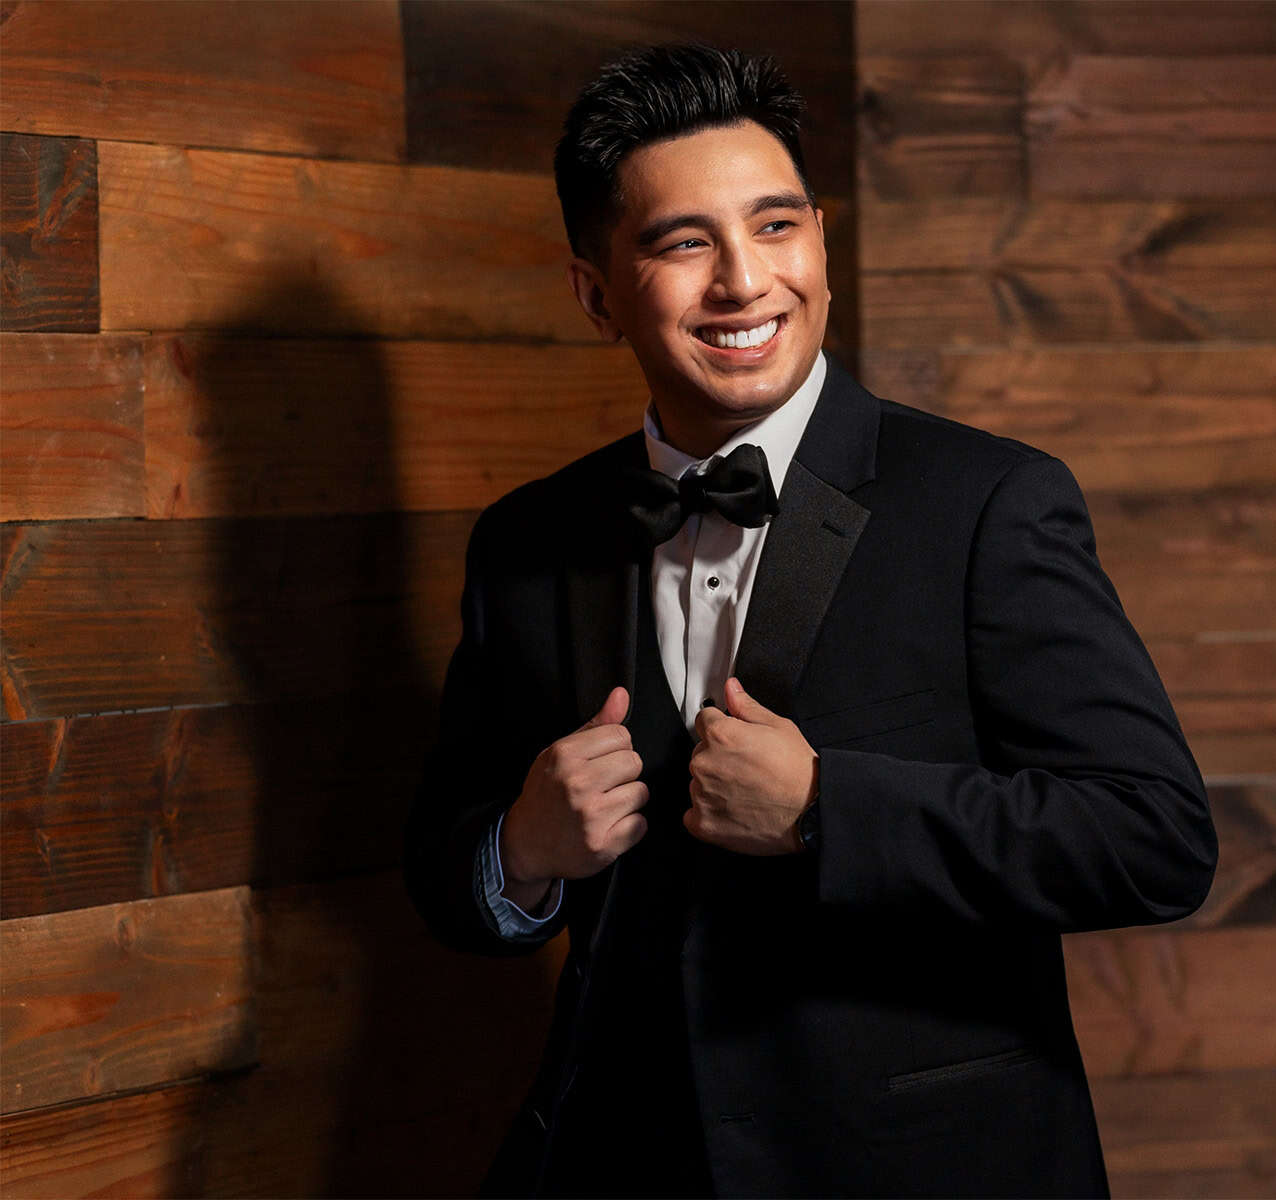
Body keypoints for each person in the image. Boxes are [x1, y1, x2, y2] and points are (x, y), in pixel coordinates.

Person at [405, 43, 1215, 1200]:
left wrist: (830, 809)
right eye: (685, 243)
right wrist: (524, 852)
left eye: (776, 228)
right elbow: (446, 864)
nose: (744, 281)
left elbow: (1155, 837)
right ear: (596, 293)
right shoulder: (527, 542)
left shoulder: (987, 503)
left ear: (821, 246)